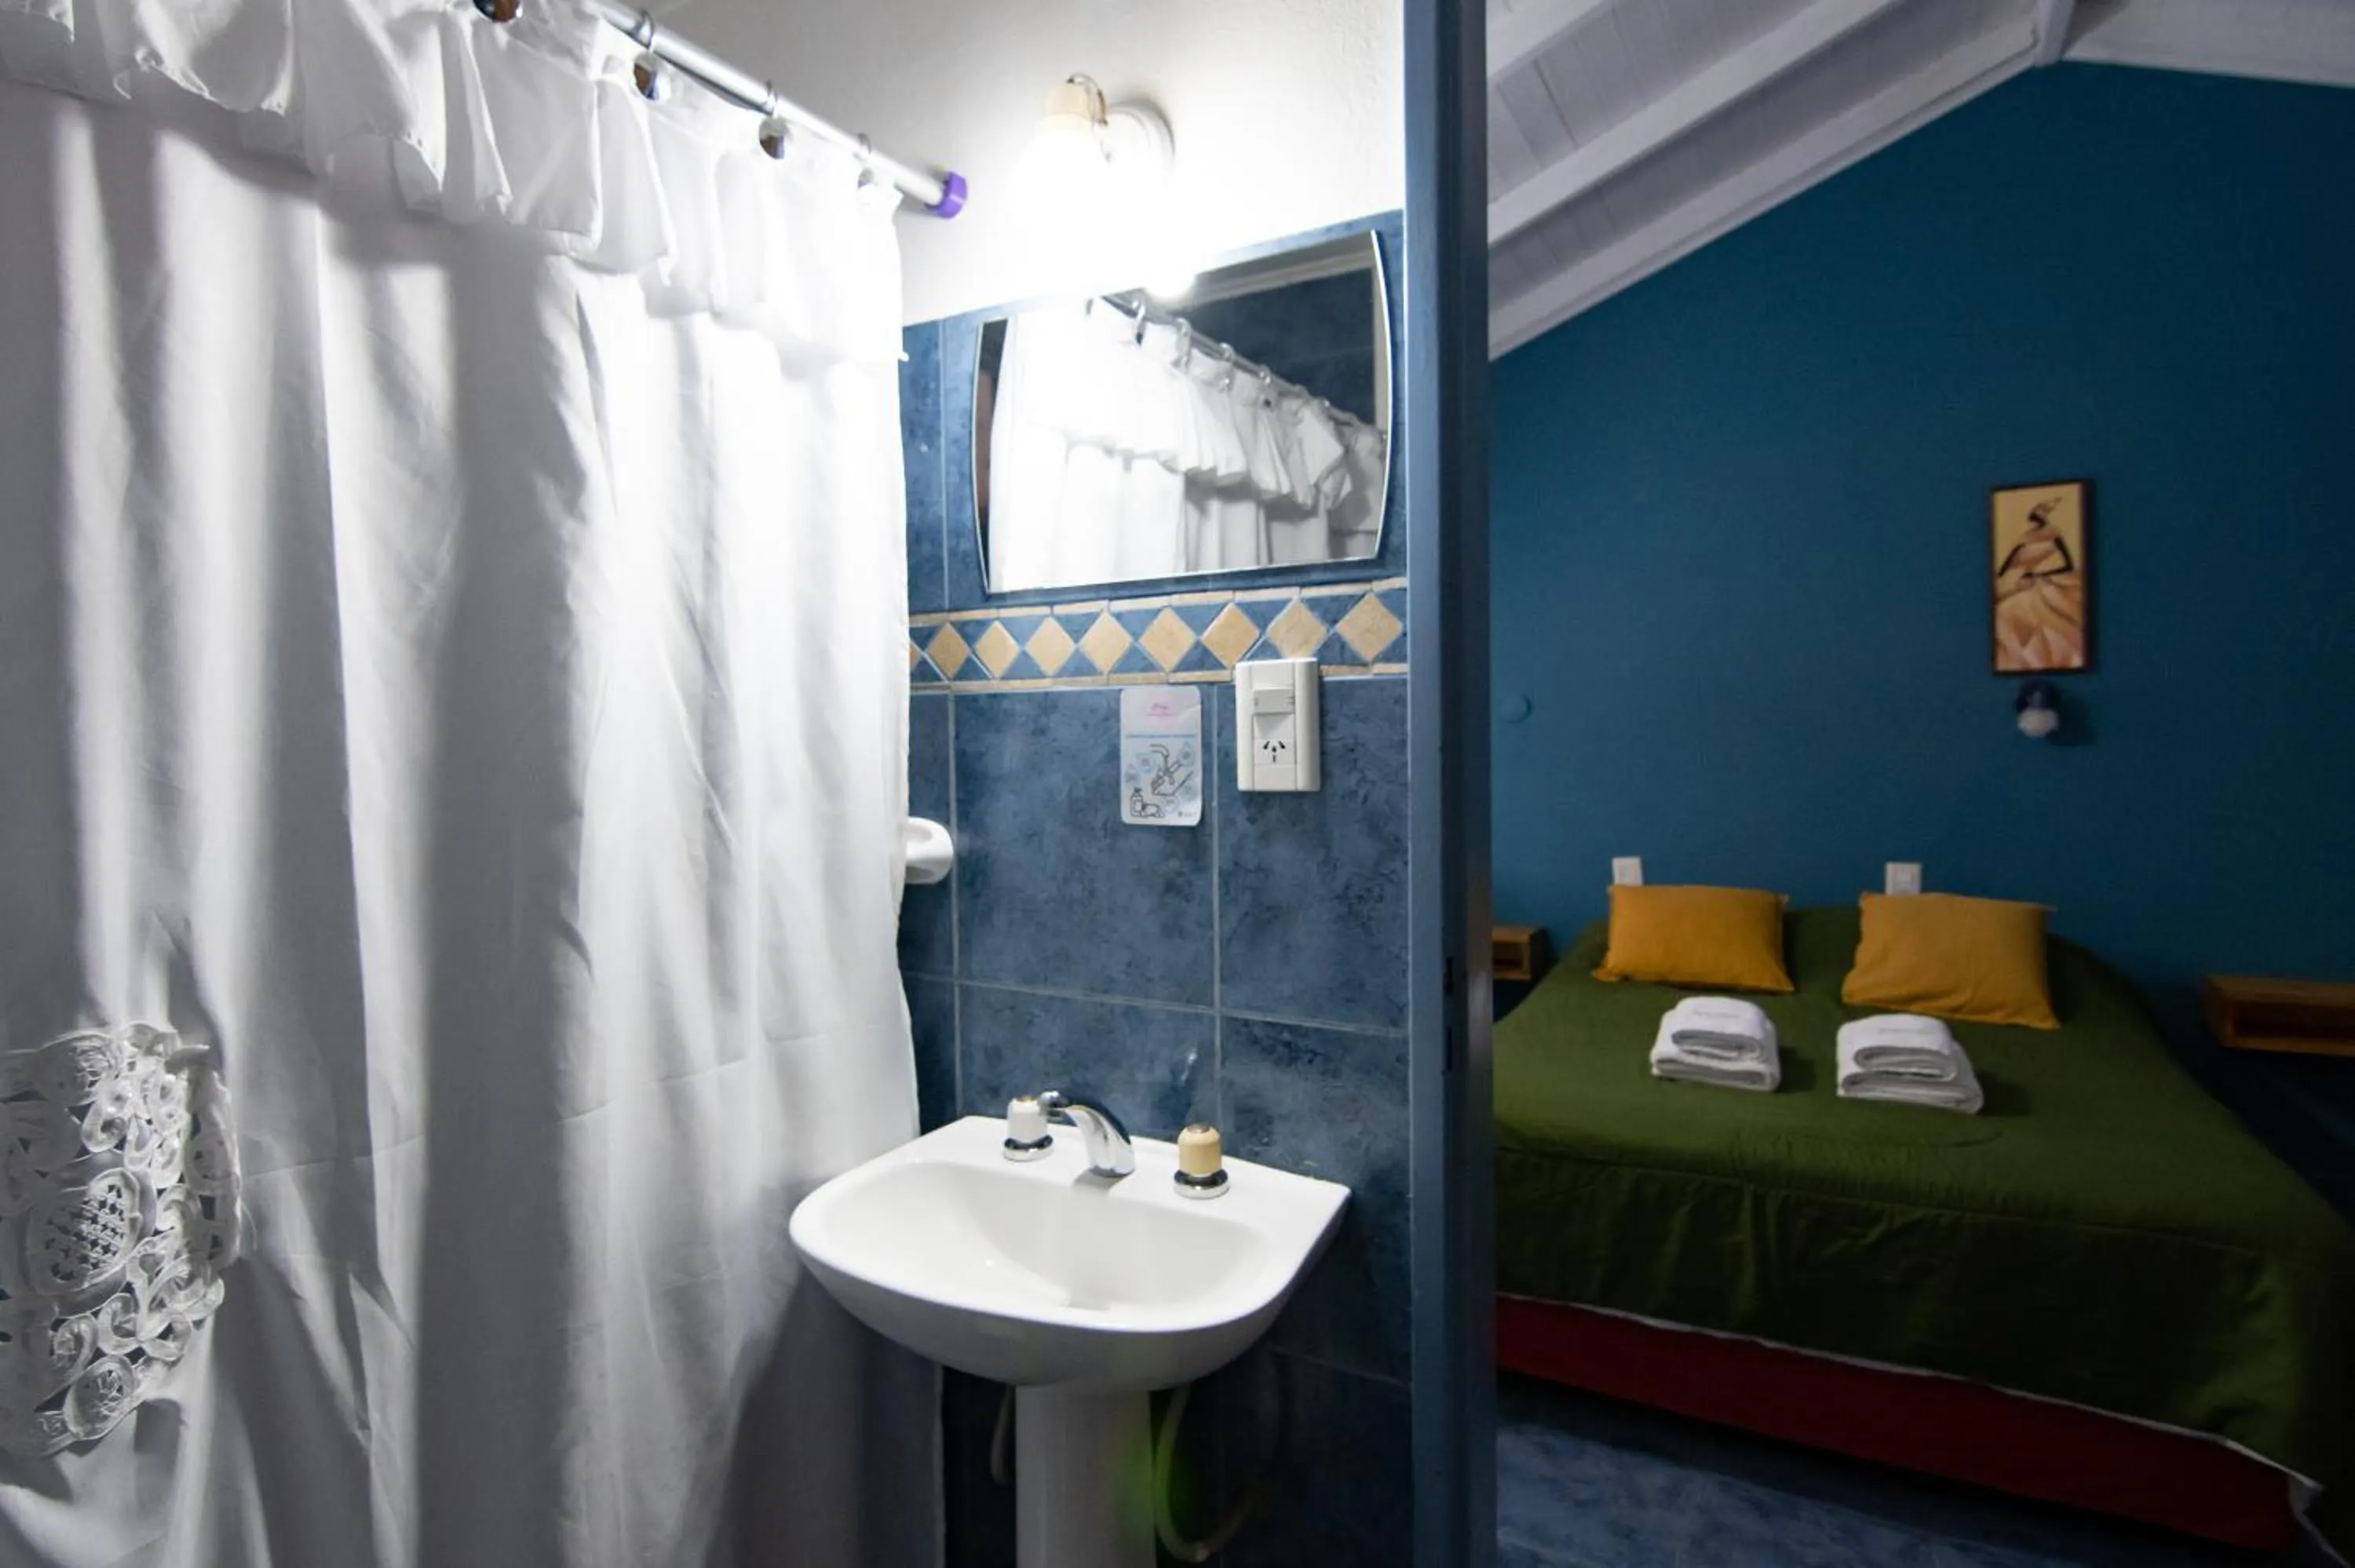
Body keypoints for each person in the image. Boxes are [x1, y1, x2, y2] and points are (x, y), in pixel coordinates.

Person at [1994, 498, 2086, 669]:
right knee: (2009, 613)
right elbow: (2006, 566)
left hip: (2043, 583)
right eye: (2037, 517)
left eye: (2041, 516)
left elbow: (2067, 564)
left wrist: (2042, 574)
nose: (2039, 520)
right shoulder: (2026, 538)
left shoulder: (2053, 534)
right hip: (2025, 583)